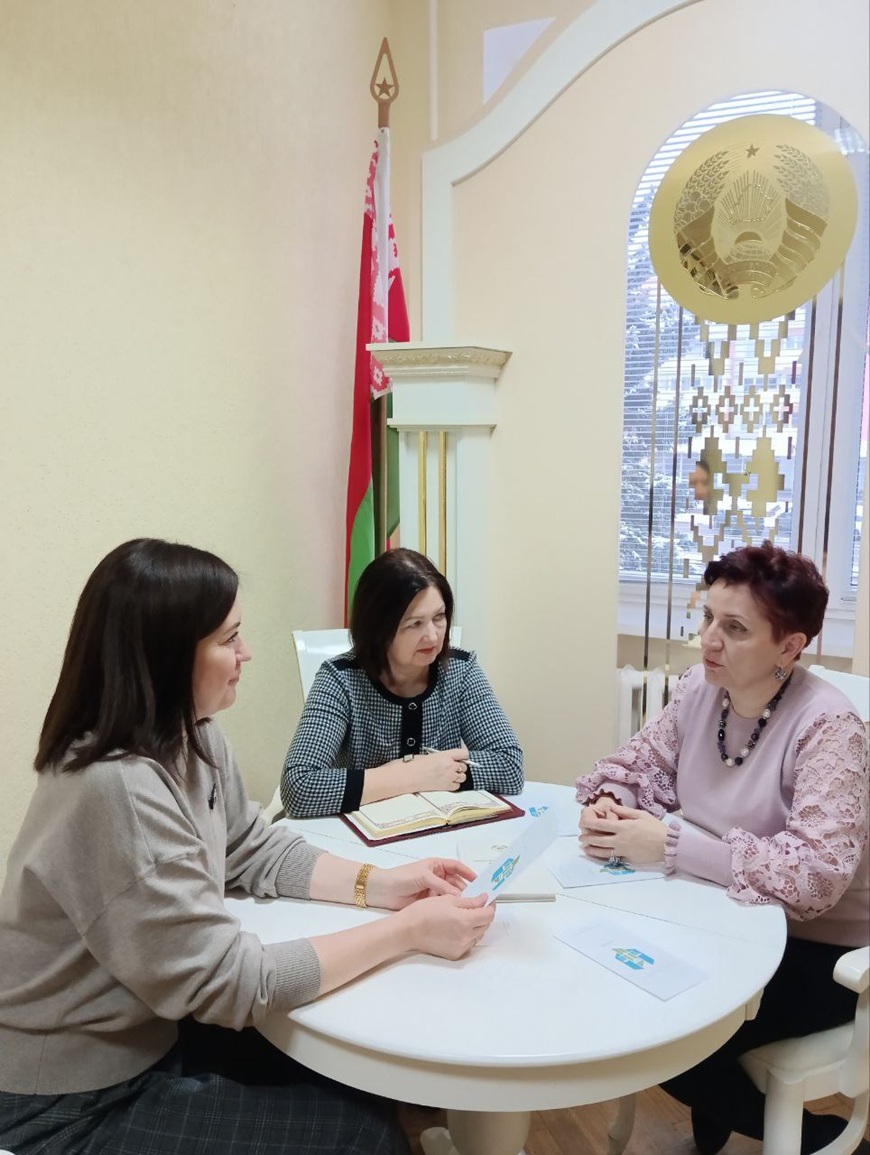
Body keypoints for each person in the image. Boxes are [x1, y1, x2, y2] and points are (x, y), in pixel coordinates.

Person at [0, 539, 495, 1155]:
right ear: (167, 656)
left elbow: (253, 848)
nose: (247, 653)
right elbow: (231, 980)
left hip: (154, 1028)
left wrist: (385, 886)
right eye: (229, 639)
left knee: (365, 1081)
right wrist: (406, 931)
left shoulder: (195, 736)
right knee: (363, 1137)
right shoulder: (116, 787)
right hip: (69, 1098)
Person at [575, 541, 869, 1155]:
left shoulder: (829, 728)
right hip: (724, 917)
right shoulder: (700, 690)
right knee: (619, 991)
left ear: (789, 646)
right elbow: (641, 764)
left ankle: (825, 1138)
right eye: (708, 616)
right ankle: (721, 1116)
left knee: (670, 1038)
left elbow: (815, 876)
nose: (708, 639)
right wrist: (611, 799)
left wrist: (672, 843)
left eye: (734, 629)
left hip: (820, 950)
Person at [281, 548, 523, 819]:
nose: (432, 636)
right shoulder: (340, 678)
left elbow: (510, 765)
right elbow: (298, 786)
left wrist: (440, 772)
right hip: (362, 833)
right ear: (378, 628)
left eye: (439, 617)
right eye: (414, 624)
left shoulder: (461, 669)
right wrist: (412, 775)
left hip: (441, 829)